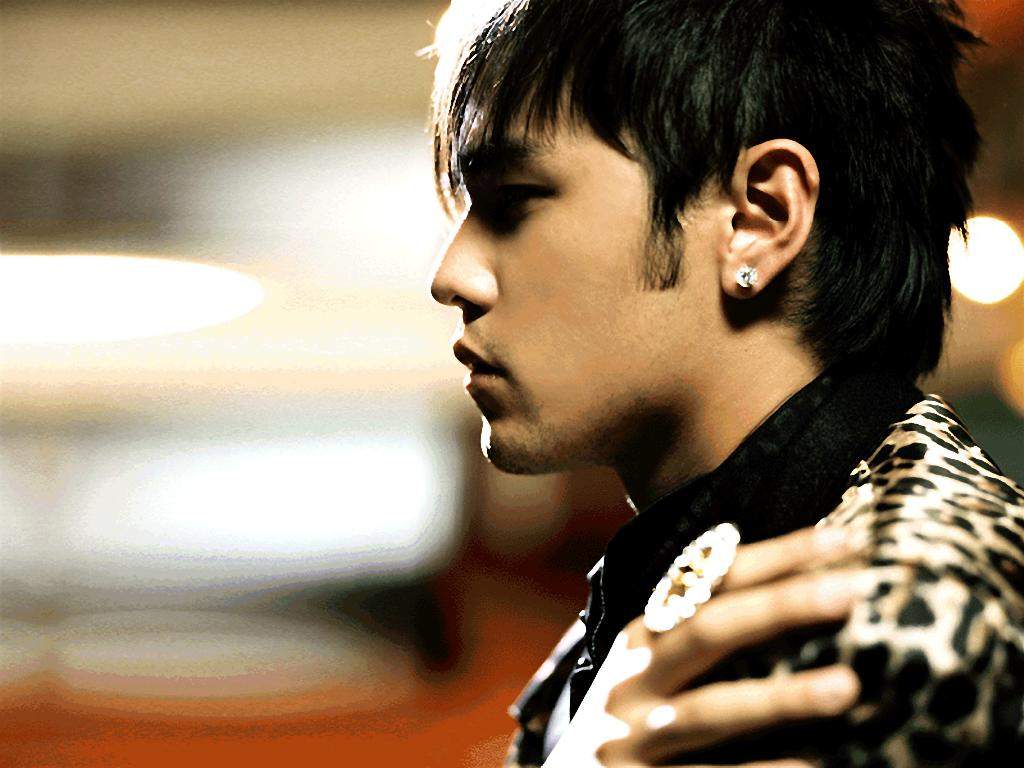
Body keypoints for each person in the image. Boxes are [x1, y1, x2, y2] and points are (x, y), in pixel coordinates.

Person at [424, 1, 1024, 765]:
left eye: (512, 200)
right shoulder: (681, 586)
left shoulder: (914, 628)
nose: (451, 276)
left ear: (758, 219)